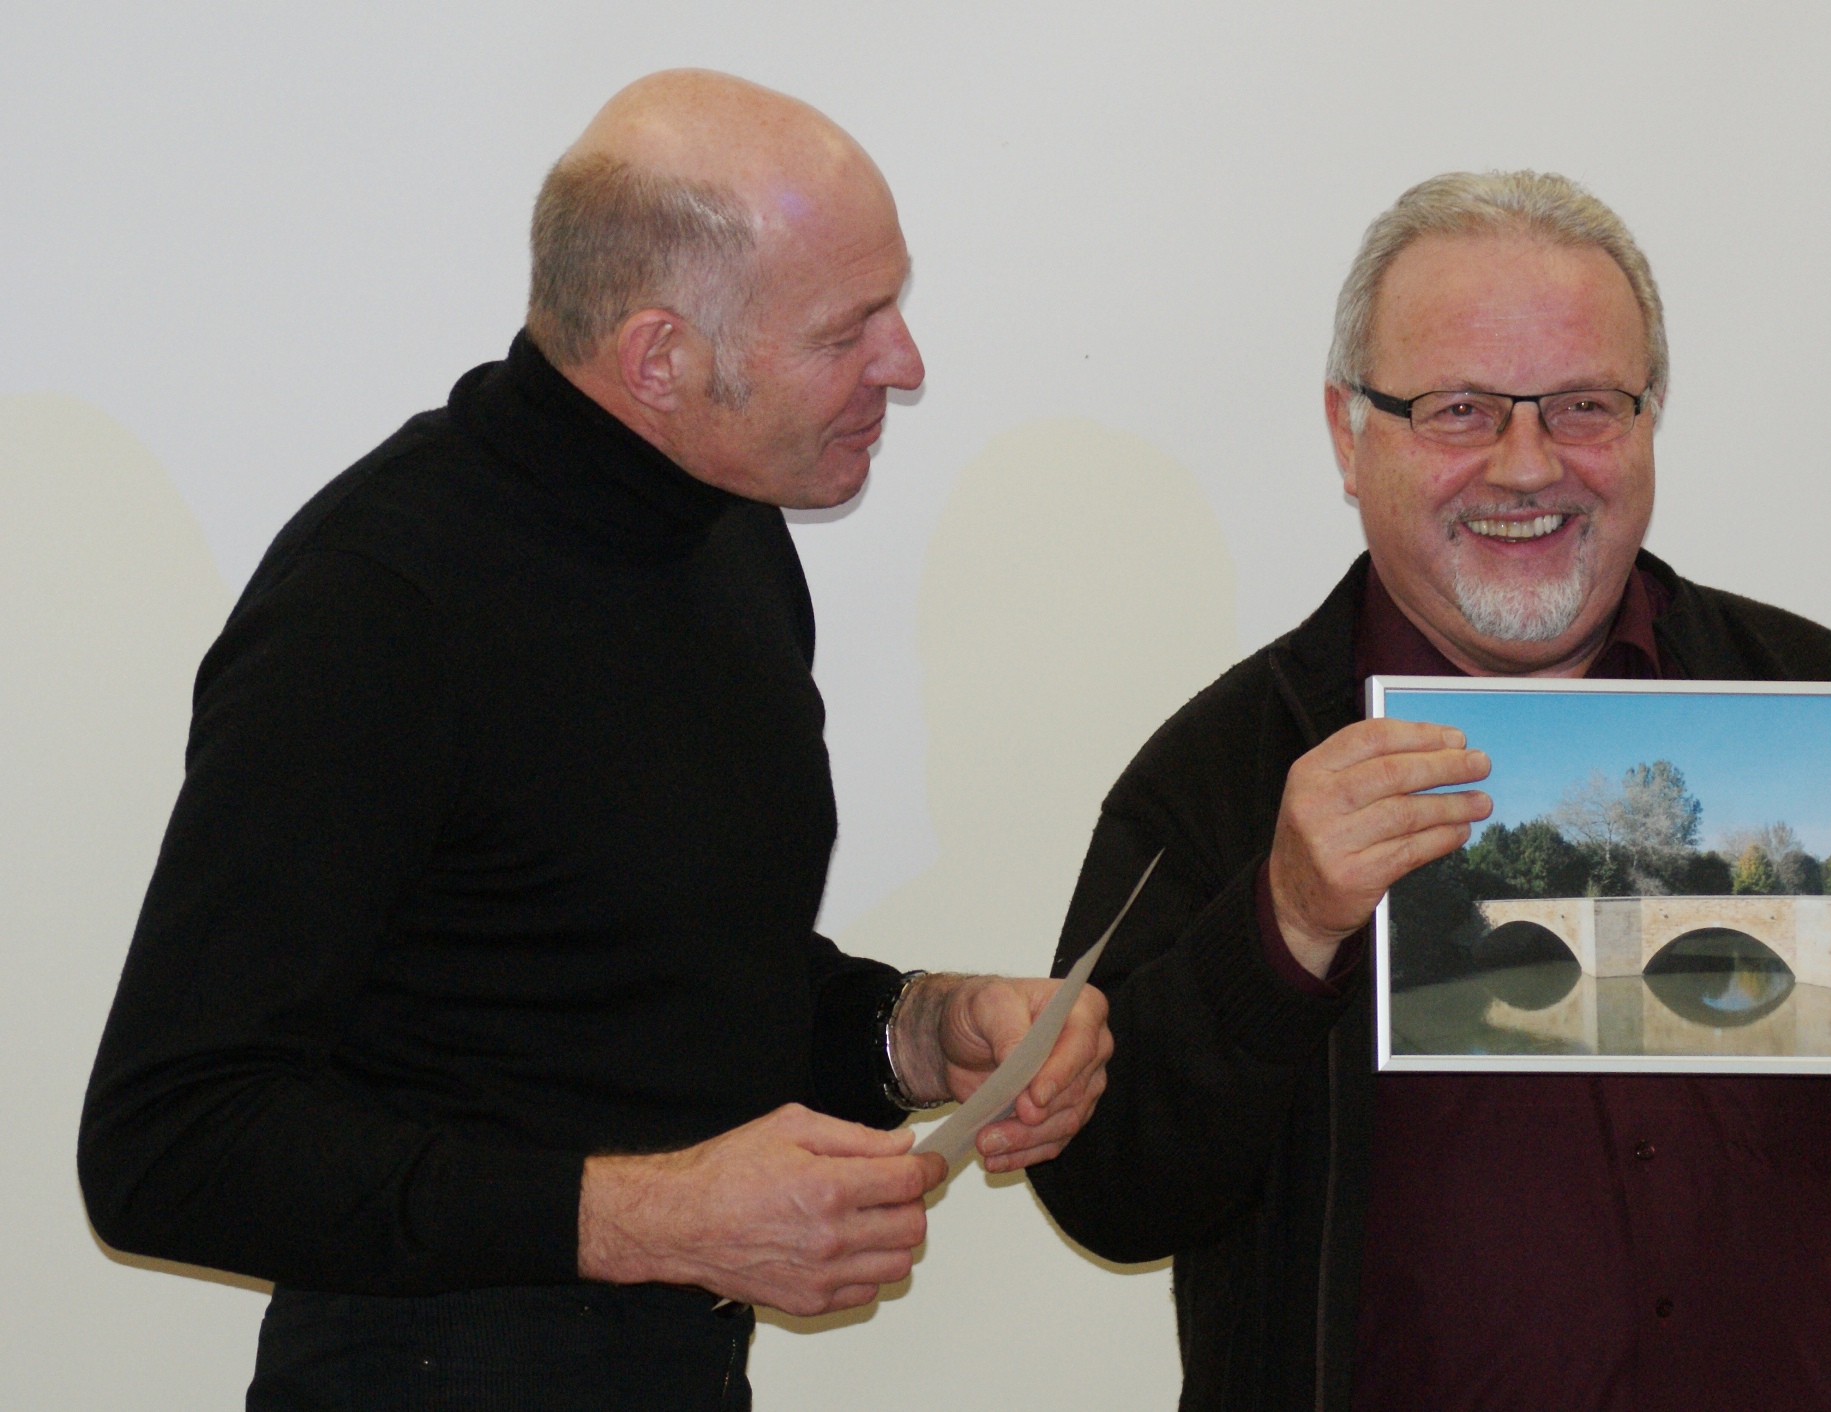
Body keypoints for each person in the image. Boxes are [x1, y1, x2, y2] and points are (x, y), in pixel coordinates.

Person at [1026, 171, 1831, 1411]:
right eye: (1457, 409)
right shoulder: (1227, 770)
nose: (1525, 465)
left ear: (1649, 418)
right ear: (1348, 433)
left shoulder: (1819, 707)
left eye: (1583, 406)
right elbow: (1104, 1183)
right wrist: (1277, 929)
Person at [78, 70, 1112, 1411]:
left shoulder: (726, 532)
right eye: (845, 329)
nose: (903, 364)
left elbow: (637, 979)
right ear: (658, 359)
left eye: (892, 308)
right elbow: (167, 1144)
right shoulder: (376, 605)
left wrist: (911, 1033)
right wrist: (651, 1220)